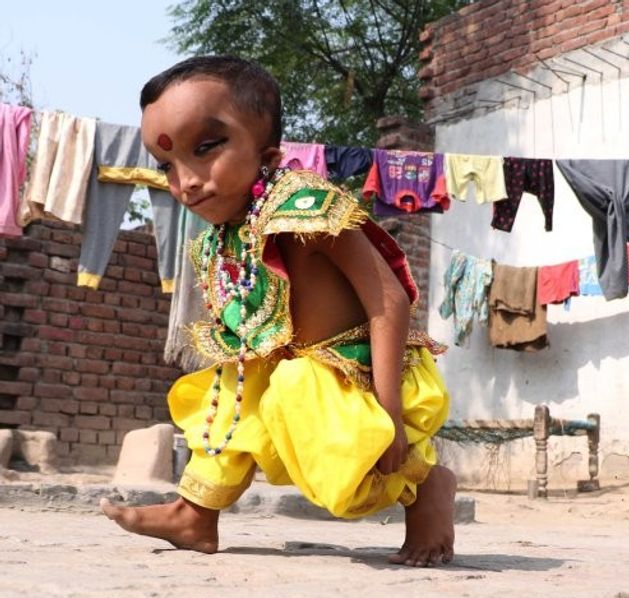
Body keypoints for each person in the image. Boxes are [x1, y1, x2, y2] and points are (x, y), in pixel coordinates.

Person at [100, 55, 457, 566]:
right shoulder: (227, 238)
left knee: (339, 459)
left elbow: (389, 299)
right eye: (168, 165)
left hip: (359, 376)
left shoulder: (307, 205)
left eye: (205, 148)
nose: (186, 181)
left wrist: (390, 416)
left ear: (267, 155)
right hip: (291, 372)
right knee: (228, 387)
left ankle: (426, 488)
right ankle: (195, 513)